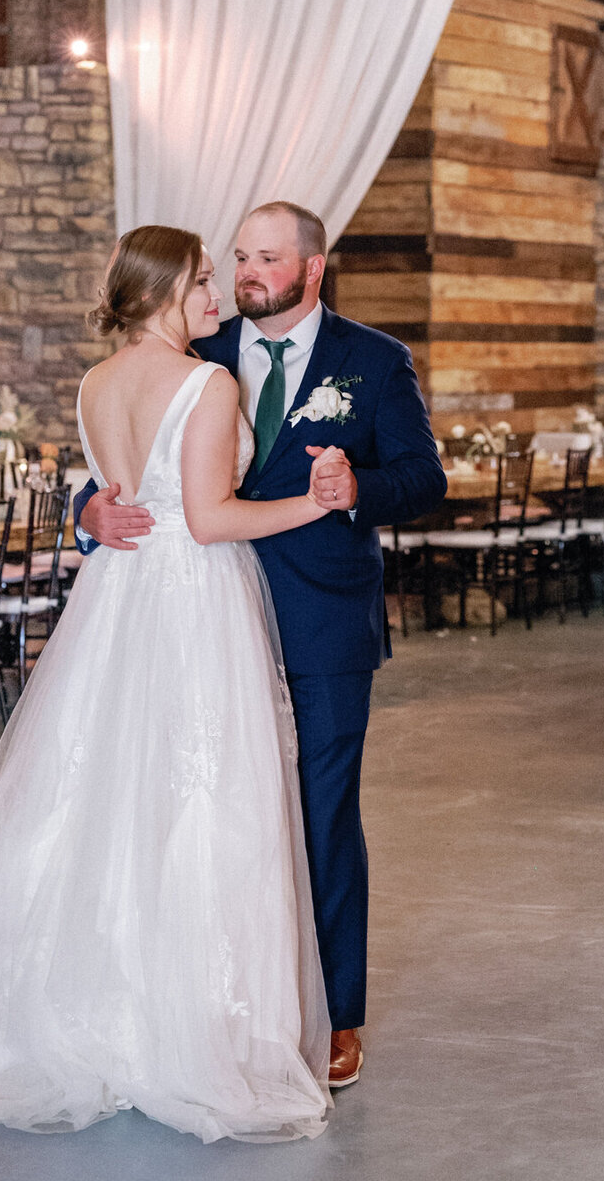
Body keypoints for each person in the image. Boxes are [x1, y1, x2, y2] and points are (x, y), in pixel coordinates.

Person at [0, 226, 342, 1143]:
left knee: (98, 800)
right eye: (204, 278)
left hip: (113, 602)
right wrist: (316, 501)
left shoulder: (96, 384)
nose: (216, 292)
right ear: (168, 287)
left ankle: (84, 1017)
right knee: (203, 803)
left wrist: (95, 508)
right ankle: (189, 1037)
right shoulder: (208, 384)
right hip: (191, 606)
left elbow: (110, 491)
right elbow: (210, 520)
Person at [75, 201, 448, 1089]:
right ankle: (220, 1006)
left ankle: (333, 1018)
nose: (245, 274)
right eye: (237, 257)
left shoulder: (374, 361)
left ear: (312, 270)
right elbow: (117, 464)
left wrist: (358, 484)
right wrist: (85, 513)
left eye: (266, 259)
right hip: (196, 623)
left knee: (319, 821)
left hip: (321, 623)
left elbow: (424, 477)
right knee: (206, 816)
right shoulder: (194, 349)